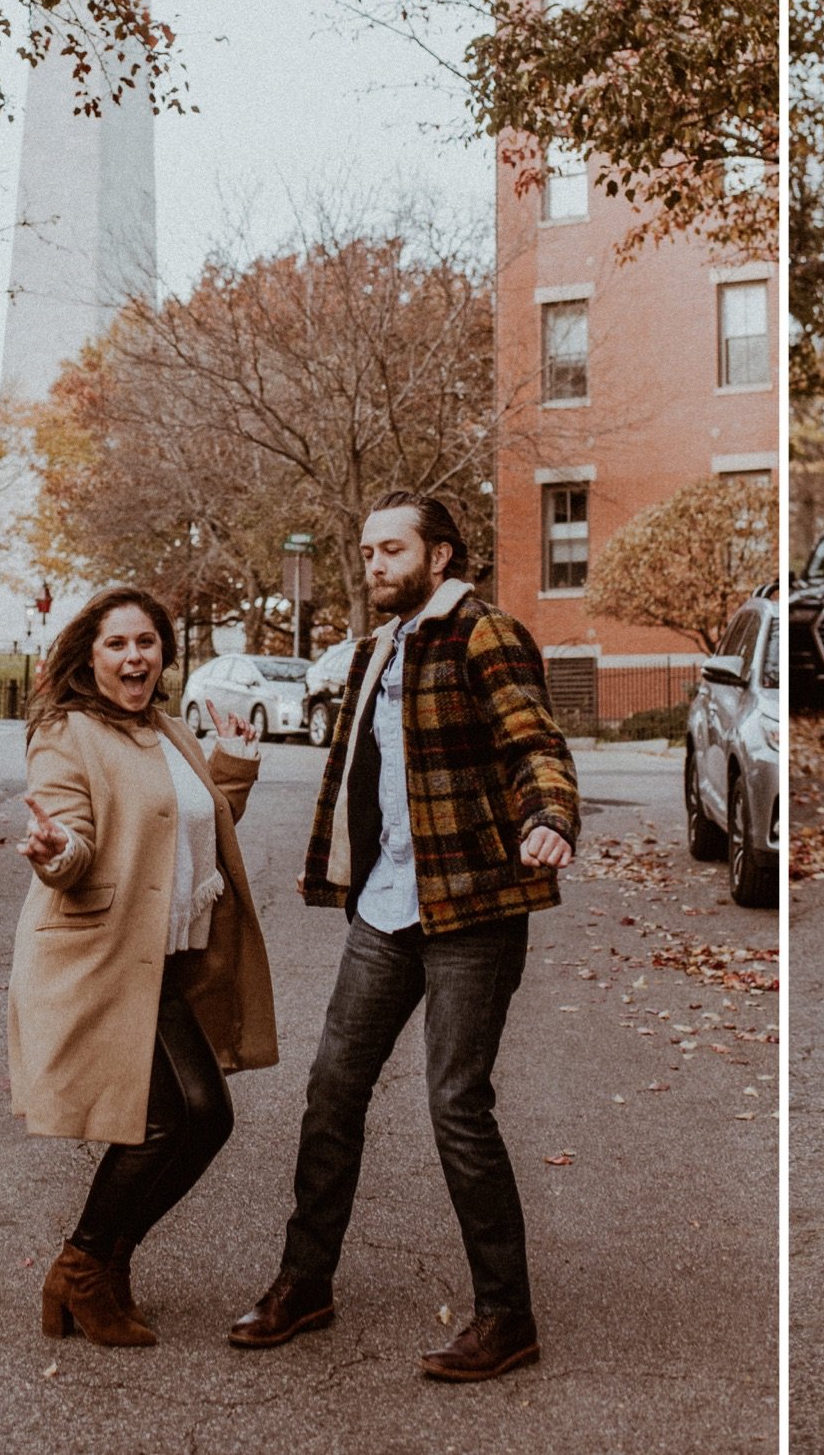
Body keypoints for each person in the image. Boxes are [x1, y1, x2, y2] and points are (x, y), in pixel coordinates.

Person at [229, 492, 579, 1382]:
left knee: (457, 1105)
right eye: (367, 550)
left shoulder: (481, 632)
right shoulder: (381, 648)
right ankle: (305, 1282)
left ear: (442, 557)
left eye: (392, 549)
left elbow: (534, 739)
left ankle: (507, 1315)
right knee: (331, 1092)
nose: (375, 564)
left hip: (472, 906)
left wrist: (548, 815)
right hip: (387, 905)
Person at [8, 586, 279, 1348]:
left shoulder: (163, 728)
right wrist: (57, 851)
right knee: (175, 1120)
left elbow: (186, 824)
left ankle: (101, 1263)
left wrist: (235, 763)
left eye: (147, 642)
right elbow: (75, 837)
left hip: (160, 961)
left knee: (195, 1118)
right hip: (107, 959)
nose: (135, 656)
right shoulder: (67, 733)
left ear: (164, 653)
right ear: (90, 657)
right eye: (118, 643)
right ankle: (84, 1267)